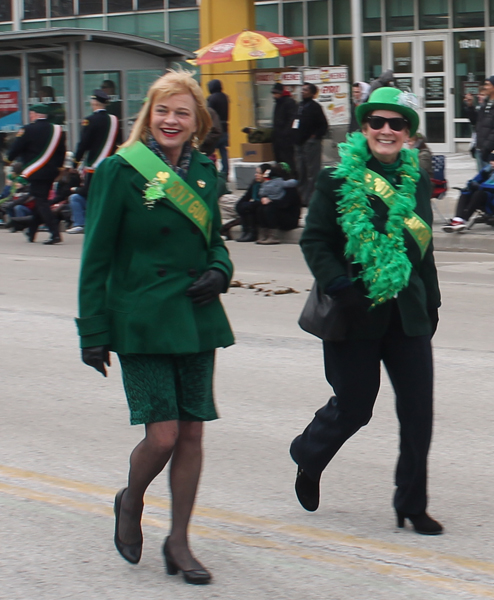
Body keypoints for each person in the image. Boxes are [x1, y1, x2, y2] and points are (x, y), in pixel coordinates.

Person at [76, 69, 234, 585]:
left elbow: (215, 241)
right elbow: (95, 257)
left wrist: (220, 270)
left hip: (194, 316)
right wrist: (92, 329)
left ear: (196, 122)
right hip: (141, 318)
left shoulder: (207, 173)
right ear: (150, 114)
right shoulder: (120, 172)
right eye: (163, 110)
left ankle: (179, 542)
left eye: (182, 112)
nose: (171, 120)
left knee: (192, 435)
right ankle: (131, 499)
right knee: (162, 436)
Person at [290, 87, 443, 536]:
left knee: (418, 413)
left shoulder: (415, 181)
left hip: (407, 315)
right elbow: (314, 241)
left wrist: (431, 301)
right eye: (377, 122)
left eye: (397, 123)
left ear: (409, 134)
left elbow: (424, 247)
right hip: (353, 312)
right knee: (354, 408)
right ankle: (308, 454)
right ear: (364, 129)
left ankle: (411, 503)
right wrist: (340, 285)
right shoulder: (336, 179)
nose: (387, 130)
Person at [7, 103, 66, 244]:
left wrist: (8, 159)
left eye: (31, 113)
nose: (30, 116)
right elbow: (61, 152)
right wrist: (58, 168)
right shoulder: (57, 130)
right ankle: (32, 231)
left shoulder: (28, 129)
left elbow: (16, 147)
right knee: (40, 200)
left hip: (36, 171)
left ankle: (55, 233)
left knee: (41, 202)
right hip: (51, 171)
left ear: (35, 114)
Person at [73, 88, 120, 210]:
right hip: (110, 164)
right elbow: (118, 141)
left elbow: (84, 143)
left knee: (91, 193)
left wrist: (75, 162)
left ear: (94, 103)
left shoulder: (90, 120)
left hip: (94, 165)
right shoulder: (114, 120)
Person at [443, 147, 494, 232]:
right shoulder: (487, 170)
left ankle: (464, 219)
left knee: (479, 193)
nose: (491, 162)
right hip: (486, 196)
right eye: (491, 160)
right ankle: (458, 219)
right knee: (465, 192)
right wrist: (471, 185)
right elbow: (475, 180)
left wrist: (480, 186)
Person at [294, 83, 329, 206]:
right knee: (301, 171)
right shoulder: (299, 106)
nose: (303, 92)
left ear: (312, 93)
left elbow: (323, 126)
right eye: (302, 89)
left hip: (311, 144)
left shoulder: (315, 107)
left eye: (306, 90)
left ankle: (312, 198)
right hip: (299, 144)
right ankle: (302, 197)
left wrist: (314, 137)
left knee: (312, 172)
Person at [256, 163, 301, 245]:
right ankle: (264, 233)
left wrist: (271, 201)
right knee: (261, 208)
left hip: (290, 218)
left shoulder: (289, 187)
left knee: (269, 208)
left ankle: (273, 236)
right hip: (280, 214)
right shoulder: (270, 185)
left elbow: (285, 204)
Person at [464, 76, 494, 171]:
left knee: (492, 182)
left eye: (488, 85)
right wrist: (470, 106)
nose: (485, 87)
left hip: (493, 153)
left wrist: (486, 148)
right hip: (481, 150)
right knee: (482, 181)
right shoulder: (485, 104)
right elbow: (476, 122)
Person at [235, 163, 270, 242]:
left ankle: (252, 232)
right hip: (255, 205)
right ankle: (246, 231)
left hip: (263, 208)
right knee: (243, 206)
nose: (256, 175)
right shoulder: (255, 184)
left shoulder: (269, 184)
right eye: (256, 173)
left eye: (259, 173)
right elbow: (247, 196)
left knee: (249, 208)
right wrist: (239, 204)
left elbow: (264, 200)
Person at [271, 82, 297, 174]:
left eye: (276, 93)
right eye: (273, 93)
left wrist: (286, 133)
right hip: (278, 138)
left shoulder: (289, 102)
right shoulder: (278, 103)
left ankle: (292, 177)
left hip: (286, 139)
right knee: (279, 161)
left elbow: (292, 119)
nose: (274, 95)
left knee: (288, 160)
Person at [207, 79, 229, 178]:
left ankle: (213, 172)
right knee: (223, 151)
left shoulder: (211, 98)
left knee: (210, 151)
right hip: (225, 127)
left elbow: (208, 114)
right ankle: (225, 172)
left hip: (215, 128)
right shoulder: (225, 97)